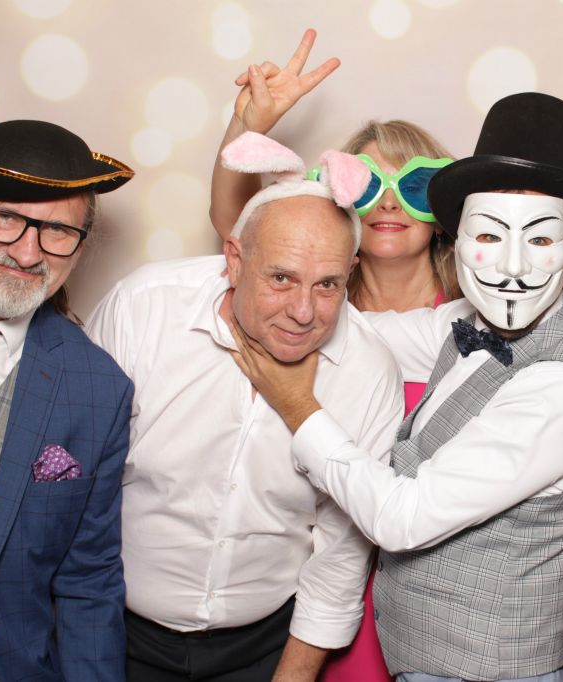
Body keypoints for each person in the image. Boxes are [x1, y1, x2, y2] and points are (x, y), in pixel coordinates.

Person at [230, 92, 563, 682]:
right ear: (458, 241)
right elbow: (363, 330)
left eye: (540, 240)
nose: (512, 268)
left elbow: (402, 517)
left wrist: (300, 408)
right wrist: (283, 280)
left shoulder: (561, 387)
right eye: (490, 236)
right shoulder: (463, 322)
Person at [86, 135, 403, 682]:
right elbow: (75, 484)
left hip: (264, 645)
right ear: (234, 259)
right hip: (114, 627)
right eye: (281, 278)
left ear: (350, 271)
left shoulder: (369, 369)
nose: (303, 311)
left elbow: (340, 555)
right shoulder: (143, 309)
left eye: (328, 285)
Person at [208, 30, 460, 682]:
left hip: (436, 589)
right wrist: (248, 125)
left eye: (416, 185)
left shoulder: (473, 327)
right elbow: (240, 230)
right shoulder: (305, 315)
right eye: (369, 183)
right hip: (320, 588)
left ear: (445, 211)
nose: (390, 202)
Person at [0, 115, 135, 681]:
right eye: (5, 218)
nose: (27, 253)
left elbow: (88, 580)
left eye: (57, 230)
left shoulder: (98, 390)